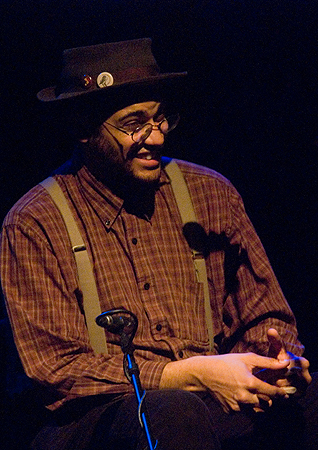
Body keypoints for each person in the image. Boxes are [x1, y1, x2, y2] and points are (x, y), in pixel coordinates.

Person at [0, 38, 317, 450]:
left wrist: (275, 361)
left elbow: (264, 313)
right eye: (134, 123)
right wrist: (188, 375)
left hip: (205, 404)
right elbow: (54, 371)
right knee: (172, 412)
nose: (158, 137)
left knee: (308, 399)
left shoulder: (210, 194)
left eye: (161, 118)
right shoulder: (35, 222)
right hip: (94, 418)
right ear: (82, 128)